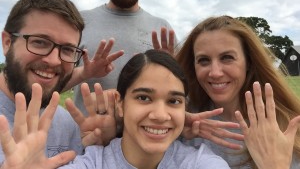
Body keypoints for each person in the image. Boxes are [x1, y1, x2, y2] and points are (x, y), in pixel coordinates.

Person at [0, 49, 230, 169]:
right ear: (119, 104)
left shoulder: (199, 162)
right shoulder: (91, 163)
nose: (160, 115)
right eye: (143, 97)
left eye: (174, 101)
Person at [0, 0, 123, 163]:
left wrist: (98, 148)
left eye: (67, 50)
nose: (53, 60)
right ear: (7, 43)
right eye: (40, 42)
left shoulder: (68, 125)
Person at [176, 15, 300, 168]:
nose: (215, 72)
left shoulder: (284, 127)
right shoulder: (185, 119)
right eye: (203, 60)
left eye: (227, 57)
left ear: (248, 62)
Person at [72, 0, 176, 115]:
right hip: (85, 138)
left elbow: (179, 95)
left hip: (144, 138)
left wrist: (169, 74)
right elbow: (52, 85)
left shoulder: (162, 30)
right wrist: (84, 73)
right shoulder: (79, 22)